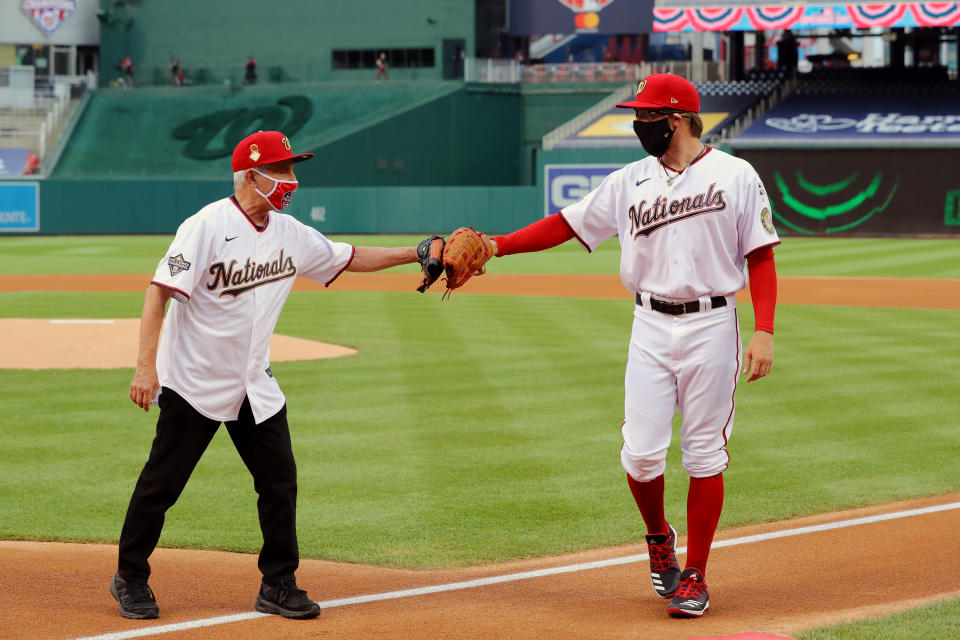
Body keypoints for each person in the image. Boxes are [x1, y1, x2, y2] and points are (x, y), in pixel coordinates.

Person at [478, 73, 778, 618]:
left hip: (713, 325)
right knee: (641, 455)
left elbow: (760, 254)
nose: (639, 125)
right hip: (650, 325)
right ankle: (659, 536)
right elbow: (565, 224)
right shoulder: (628, 180)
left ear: (680, 118)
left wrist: (765, 328)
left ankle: (696, 574)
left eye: (647, 116)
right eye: (637, 116)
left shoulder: (736, 175)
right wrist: (497, 246)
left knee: (704, 454)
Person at [112, 130, 430, 621]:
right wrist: (144, 367)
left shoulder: (289, 233)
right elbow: (159, 292)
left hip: (253, 385)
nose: (292, 181)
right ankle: (130, 577)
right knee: (162, 486)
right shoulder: (205, 227)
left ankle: (279, 584)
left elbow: (348, 257)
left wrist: (416, 252)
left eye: (292, 170)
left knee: (279, 482)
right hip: (193, 383)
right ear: (252, 176)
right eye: (282, 171)